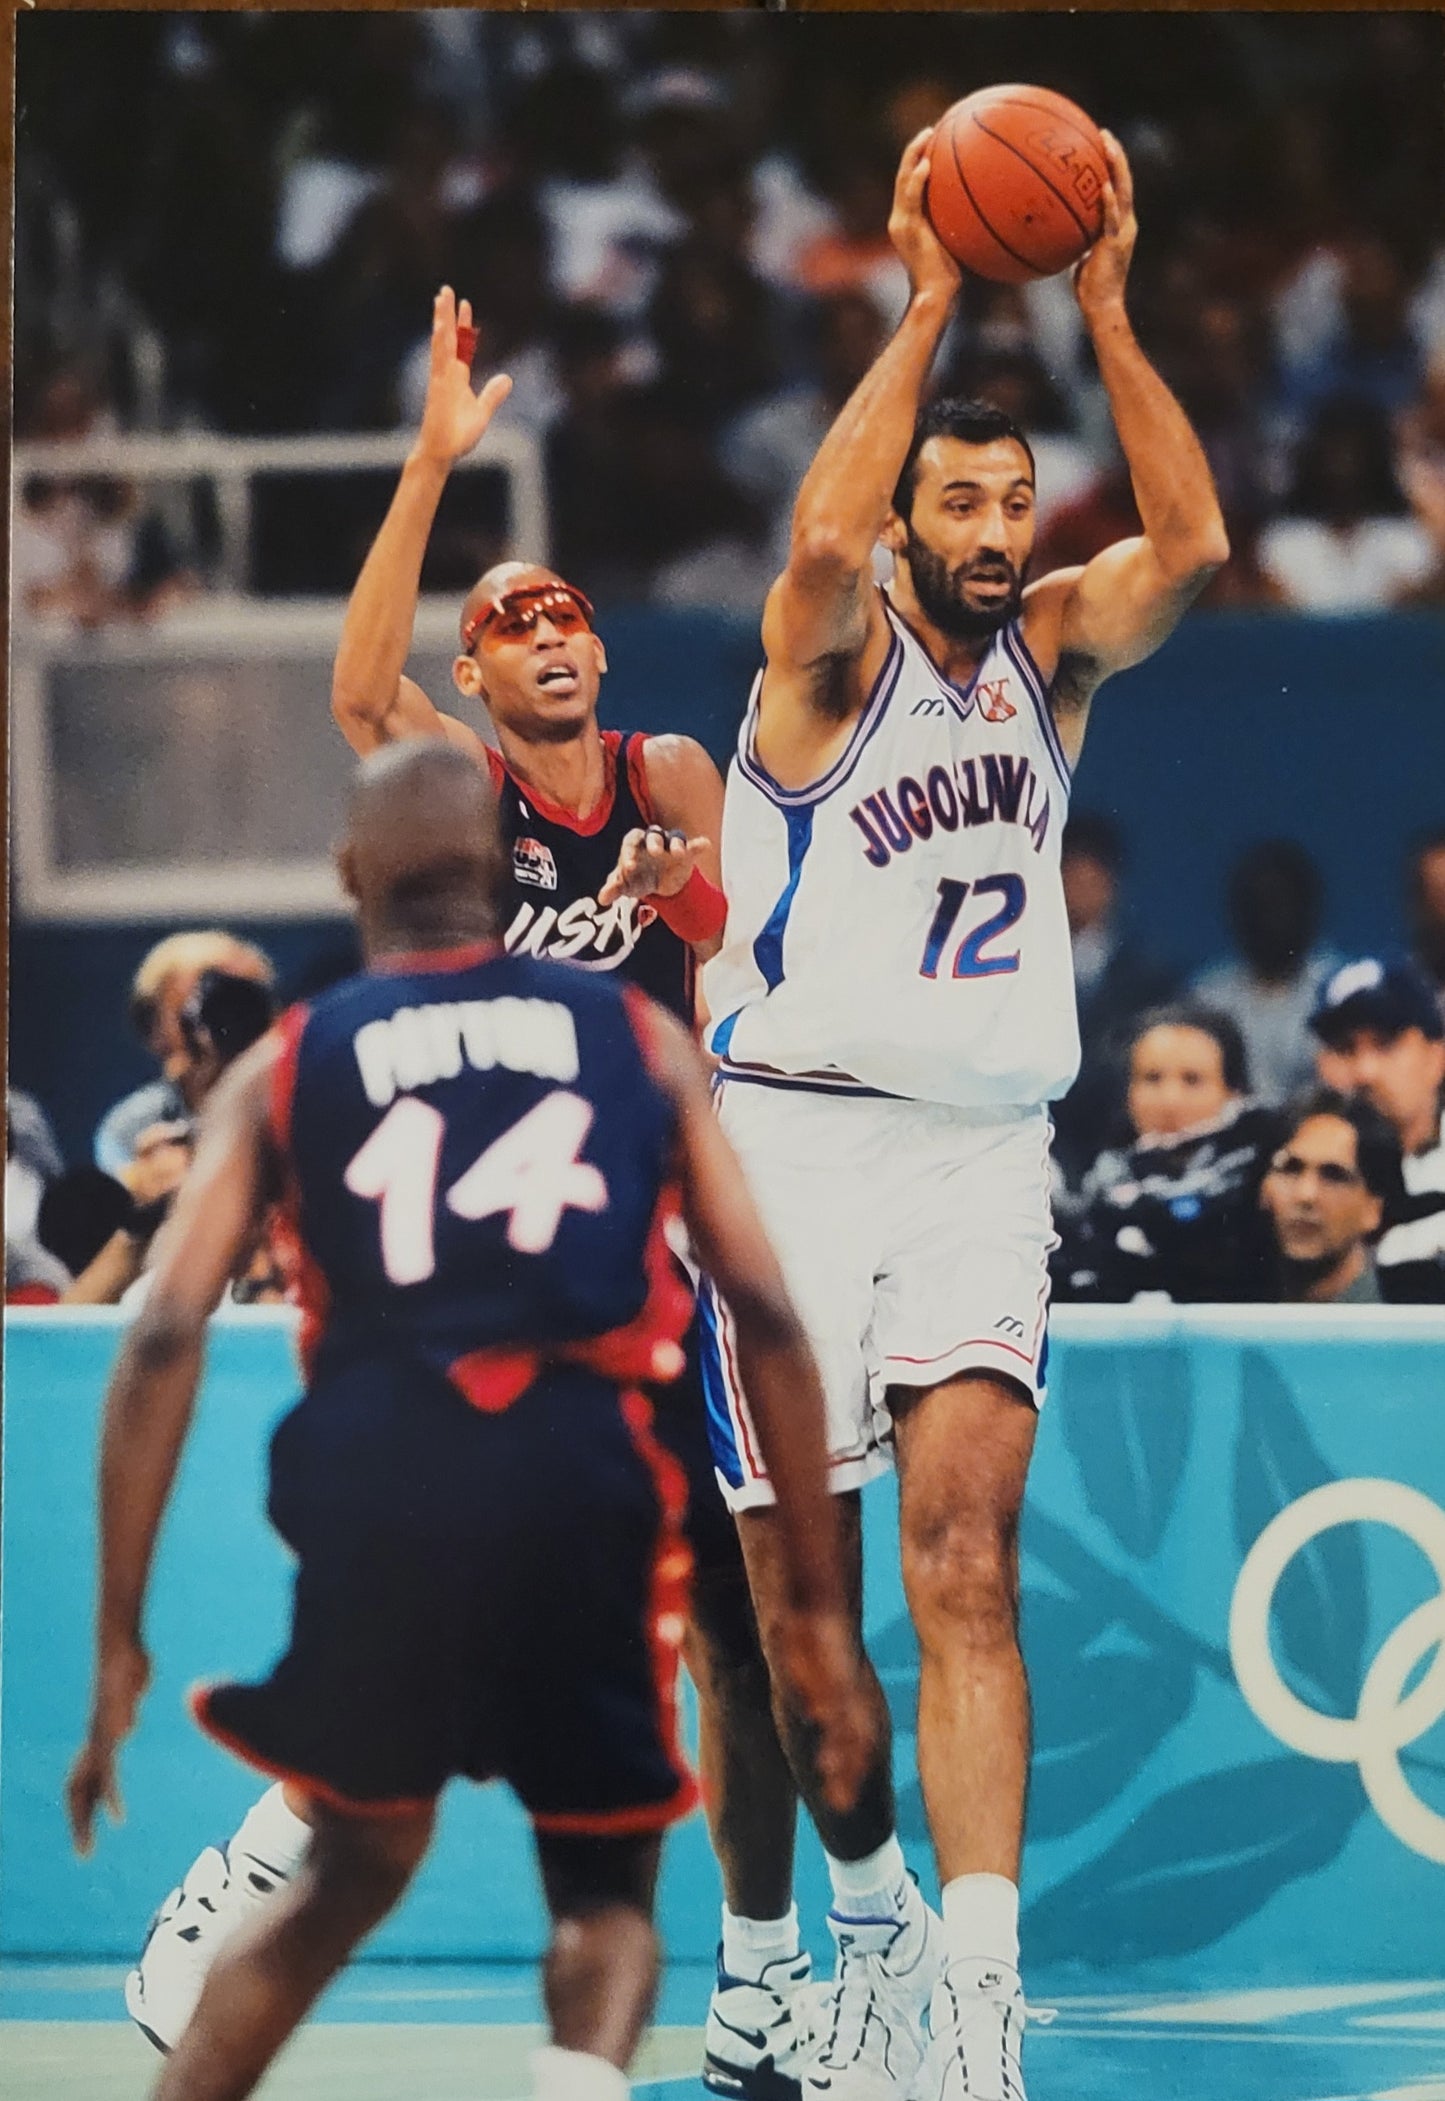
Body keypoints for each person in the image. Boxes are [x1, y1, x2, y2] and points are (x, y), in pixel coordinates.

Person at [127, 289, 809, 2101]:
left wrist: (675, 893)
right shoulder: (470, 799)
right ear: (486, 688)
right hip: (503, 1264)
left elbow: (732, 944)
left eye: (565, 613)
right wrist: (429, 471)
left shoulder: (666, 773)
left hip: (631, 1229)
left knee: (698, 1631)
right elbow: (360, 692)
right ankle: (241, 1900)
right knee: (490, 1636)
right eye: (509, 630)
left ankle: (757, 1992)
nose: (547, 637)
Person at [67, 740, 873, 2101]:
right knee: (607, 1893)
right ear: (511, 877)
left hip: (383, 1484)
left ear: (346, 877)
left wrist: (117, 1633)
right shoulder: (635, 1037)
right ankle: (577, 2080)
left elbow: (158, 1333)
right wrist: (814, 1617)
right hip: (583, 1479)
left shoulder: (289, 1059)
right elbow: (771, 1320)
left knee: (345, 1873)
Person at [699, 129, 1227, 2101]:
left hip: (976, 1155)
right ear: (910, 504)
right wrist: (926, 296)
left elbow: (1185, 549)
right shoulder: (821, 675)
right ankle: (861, 1932)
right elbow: (821, 553)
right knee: (791, 1601)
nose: (998, 523)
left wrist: (1096, 311)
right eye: (964, 496)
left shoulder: (1055, 652)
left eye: (1017, 496)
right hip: (789, 1155)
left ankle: (978, 2014)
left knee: (962, 1558)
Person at [1053, 1005, 1282, 1305]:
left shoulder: (1266, 1182)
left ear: (1234, 1092)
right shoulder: (1099, 1191)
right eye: (1152, 1078)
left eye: (1192, 1080)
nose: (1169, 1100)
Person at [1048, 812, 1177, 1189]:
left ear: (1112, 882)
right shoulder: (1016, 967)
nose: (1081, 887)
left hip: (1116, 1153)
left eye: (1093, 876)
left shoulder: (1149, 981)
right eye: (1070, 873)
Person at [1309, 957, 1445, 1302]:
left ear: (1436, 1055)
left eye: (1385, 1044)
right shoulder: (1294, 1174)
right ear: (1321, 1065)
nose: (1365, 1072)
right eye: (1344, 1048)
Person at [95, 933, 277, 1180]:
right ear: (155, 1029)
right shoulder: (133, 1127)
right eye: (198, 1009)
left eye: (241, 1006)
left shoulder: (297, 1104)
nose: (221, 1026)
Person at [1191, 839, 1340, 1106]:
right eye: (1257, 905)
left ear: (1308, 908)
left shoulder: (1341, 989)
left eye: (1280, 904)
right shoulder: (1208, 997)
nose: (1269, 920)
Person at [1260, 1089, 1404, 1304]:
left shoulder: (1408, 1329)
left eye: (1334, 1176)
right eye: (1291, 1169)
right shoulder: (1227, 1320)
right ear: (1264, 1188)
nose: (1306, 1195)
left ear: (1373, 1210)